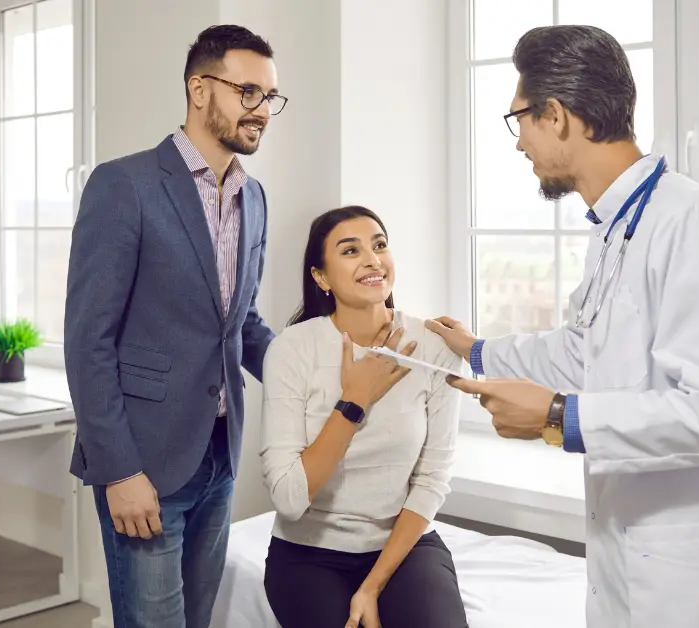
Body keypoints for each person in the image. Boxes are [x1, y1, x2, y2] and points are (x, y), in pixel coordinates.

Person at [426, 25, 699, 628]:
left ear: (556, 115)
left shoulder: (693, 224)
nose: (519, 142)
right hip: (636, 564)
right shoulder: (618, 228)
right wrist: (478, 352)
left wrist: (557, 416)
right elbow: (589, 351)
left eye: (519, 119)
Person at [63, 24, 282, 628]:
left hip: (218, 456)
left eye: (270, 97)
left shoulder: (254, 196)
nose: (262, 110)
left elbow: (240, 324)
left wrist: (317, 368)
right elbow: (88, 341)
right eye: (248, 92)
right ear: (199, 88)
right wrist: (119, 470)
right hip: (144, 462)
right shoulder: (123, 184)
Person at [259, 206, 470, 628]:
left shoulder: (436, 347)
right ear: (321, 277)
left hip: (404, 549)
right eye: (351, 250)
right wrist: (353, 402)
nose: (373, 259)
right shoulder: (292, 349)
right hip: (308, 555)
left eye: (379, 245)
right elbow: (288, 497)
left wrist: (372, 587)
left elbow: (432, 480)